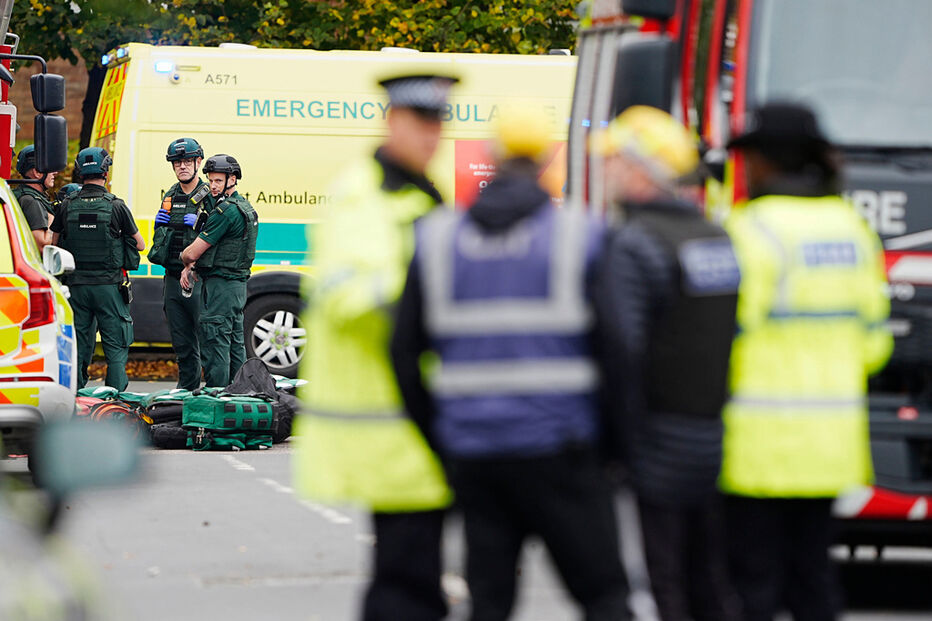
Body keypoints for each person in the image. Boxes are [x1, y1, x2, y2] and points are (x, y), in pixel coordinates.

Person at [391, 105, 630, 621]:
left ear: (493, 158)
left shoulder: (437, 239)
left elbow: (404, 354)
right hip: (563, 449)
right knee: (605, 596)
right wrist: (613, 449)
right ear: (546, 159)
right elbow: (618, 352)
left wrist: (443, 439)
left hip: (477, 453)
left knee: (491, 602)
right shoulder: (580, 236)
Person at [293, 72, 459, 621]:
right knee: (406, 581)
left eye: (439, 122)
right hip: (386, 418)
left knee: (413, 575)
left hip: (413, 410)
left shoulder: (420, 191)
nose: (432, 135)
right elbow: (349, 296)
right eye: (420, 122)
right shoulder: (364, 195)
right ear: (392, 121)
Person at [721, 103, 893, 621]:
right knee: (814, 581)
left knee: (755, 587)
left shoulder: (751, 229)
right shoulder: (851, 229)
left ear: (767, 161)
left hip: (758, 452)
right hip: (831, 448)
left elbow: (723, 337)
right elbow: (875, 346)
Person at [593, 106, 742, 621]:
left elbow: (622, 348)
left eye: (613, 161)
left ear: (641, 170)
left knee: (667, 581)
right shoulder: (715, 238)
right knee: (710, 579)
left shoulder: (636, 244)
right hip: (711, 434)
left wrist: (616, 445)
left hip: (657, 438)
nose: (606, 171)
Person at [51, 147, 145, 390]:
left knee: (79, 345)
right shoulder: (116, 206)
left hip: (77, 288)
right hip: (109, 288)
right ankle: (114, 400)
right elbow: (140, 244)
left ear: (80, 172)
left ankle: (77, 397)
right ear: (106, 171)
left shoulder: (67, 205)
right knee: (115, 346)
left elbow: (53, 245)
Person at [179, 154, 256, 388]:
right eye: (211, 181)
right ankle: (239, 394)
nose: (212, 186)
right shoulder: (245, 207)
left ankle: (217, 397)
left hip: (220, 286)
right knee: (234, 343)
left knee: (215, 343)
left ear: (232, 179)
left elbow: (192, 253)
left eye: (218, 181)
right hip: (235, 286)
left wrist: (185, 259)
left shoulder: (226, 212)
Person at [149, 138, 213, 390]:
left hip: (199, 278)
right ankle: (187, 392)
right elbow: (161, 240)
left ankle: (215, 392)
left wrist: (201, 224)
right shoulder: (170, 196)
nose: (182, 166)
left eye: (187, 161)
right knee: (182, 343)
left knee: (208, 341)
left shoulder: (209, 196)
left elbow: (218, 237)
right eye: (177, 162)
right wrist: (158, 227)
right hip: (173, 277)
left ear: (198, 162)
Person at [13, 144, 57, 250]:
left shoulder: (21, 193)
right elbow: (42, 246)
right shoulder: (30, 201)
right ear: (37, 172)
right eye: (50, 168)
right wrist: (55, 219)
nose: (55, 172)